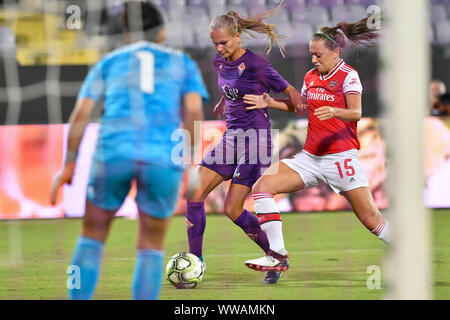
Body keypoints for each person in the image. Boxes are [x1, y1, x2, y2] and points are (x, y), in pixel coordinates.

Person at [50, 1, 209, 300]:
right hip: (162, 161)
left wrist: (69, 163)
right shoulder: (182, 62)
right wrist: (188, 165)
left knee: (91, 237)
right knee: (151, 243)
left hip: (113, 155)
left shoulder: (109, 61)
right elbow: (193, 111)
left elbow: (81, 115)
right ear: (162, 33)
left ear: (125, 33)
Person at [243, 17, 391, 283]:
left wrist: (335, 110)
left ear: (336, 52)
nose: (313, 60)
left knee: (371, 220)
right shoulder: (310, 77)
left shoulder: (348, 76)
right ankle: (277, 256)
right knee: (262, 187)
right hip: (310, 157)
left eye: (318, 54)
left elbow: (356, 112)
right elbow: (301, 108)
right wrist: (271, 103)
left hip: (340, 158)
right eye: (311, 55)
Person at [185, 4, 303, 284]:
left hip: (256, 142)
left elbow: (298, 101)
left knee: (233, 209)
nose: (219, 48)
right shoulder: (219, 61)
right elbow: (234, 87)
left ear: (237, 37)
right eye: (215, 44)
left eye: (223, 42)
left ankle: (276, 258)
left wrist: (269, 102)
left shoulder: (257, 65)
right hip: (231, 138)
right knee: (193, 193)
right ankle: (196, 263)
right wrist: (226, 100)